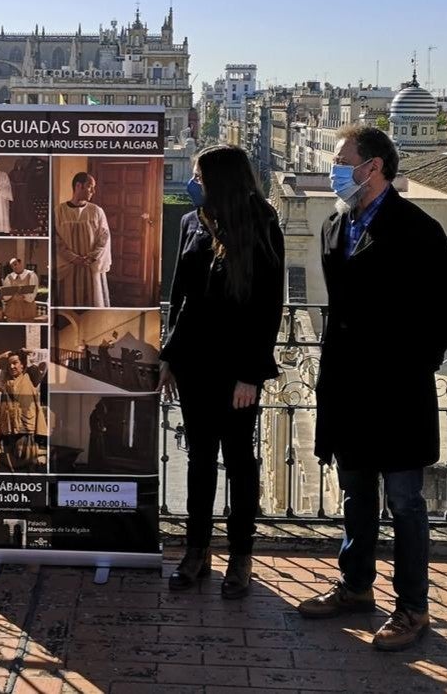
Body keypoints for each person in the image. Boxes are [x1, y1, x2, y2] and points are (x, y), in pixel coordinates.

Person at [297, 124, 447, 651]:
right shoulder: (332, 227)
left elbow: (445, 307)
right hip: (347, 387)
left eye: (343, 160)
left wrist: (414, 364)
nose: (335, 169)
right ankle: (355, 587)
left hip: (397, 390)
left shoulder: (417, 229)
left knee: (406, 503)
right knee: (356, 494)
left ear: (374, 168)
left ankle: (413, 608)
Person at [159, 144, 285, 600]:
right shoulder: (191, 221)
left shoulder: (263, 222)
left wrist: (251, 374)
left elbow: (269, 305)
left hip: (237, 370)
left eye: (199, 174)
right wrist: (169, 356)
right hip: (194, 363)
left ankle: (240, 555)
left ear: (221, 178)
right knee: (198, 460)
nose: (193, 181)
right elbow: (179, 295)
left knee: (239, 462)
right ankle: (196, 551)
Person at [0, 349, 49, 470]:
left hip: (26, 428)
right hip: (9, 429)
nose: (12, 367)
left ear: (22, 364)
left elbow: (45, 356)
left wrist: (28, 351)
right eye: (9, 364)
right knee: (12, 463)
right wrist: (1, 356)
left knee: (28, 463)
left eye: (15, 363)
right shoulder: (4, 378)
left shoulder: (33, 375)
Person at [55, 172, 111, 307]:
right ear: (78, 186)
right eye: (90, 186)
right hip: (69, 268)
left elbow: (104, 237)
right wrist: (73, 258)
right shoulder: (59, 211)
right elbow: (55, 238)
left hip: (90, 267)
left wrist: (91, 257)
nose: (93, 191)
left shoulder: (97, 211)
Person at [2, 257, 39, 322]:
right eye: (12, 266)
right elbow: (5, 296)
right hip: (12, 311)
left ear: (20, 263)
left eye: (15, 264)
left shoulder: (31, 275)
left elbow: (32, 296)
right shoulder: (9, 277)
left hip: (27, 311)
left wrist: (18, 292)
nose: (14, 267)